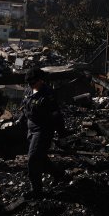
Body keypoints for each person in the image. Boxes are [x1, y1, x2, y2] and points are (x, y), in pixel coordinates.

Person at [18, 69, 67, 198]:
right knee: (40, 156)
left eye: (33, 82)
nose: (30, 85)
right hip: (31, 128)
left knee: (33, 158)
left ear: (40, 80)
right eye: (28, 83)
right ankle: (59, 174)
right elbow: (24, 107)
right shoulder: (28, 90)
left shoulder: (47, 94)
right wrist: (19, 121)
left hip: (43, 130)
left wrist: (62, 136)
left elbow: (57, 116)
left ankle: (37, 190)